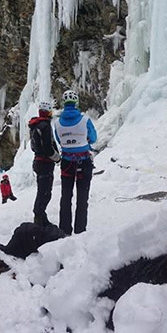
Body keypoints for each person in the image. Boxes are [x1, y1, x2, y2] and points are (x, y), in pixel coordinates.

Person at [54, 89, 97, 235]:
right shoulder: (85, 120)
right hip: (84, 161)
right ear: (76, 103)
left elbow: (59, 140)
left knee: (66, 196)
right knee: (82, 197)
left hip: (67, 163)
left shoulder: (57, 123)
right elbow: (94, 138)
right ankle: (80, 230)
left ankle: (64, 229)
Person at [29, 101, 60, 225]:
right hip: (45, 163)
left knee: (42, 191)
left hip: (38, 161)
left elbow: (32, 146)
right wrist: (57, 158)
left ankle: (41, 216)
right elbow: (48, 147)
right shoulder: (45, 126)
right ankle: (39, 217)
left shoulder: (34, 126)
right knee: (45, 192)